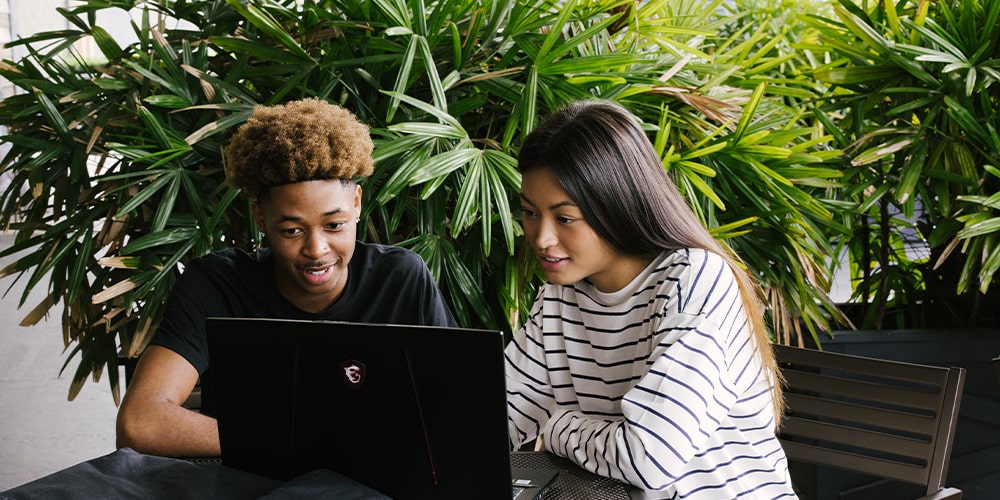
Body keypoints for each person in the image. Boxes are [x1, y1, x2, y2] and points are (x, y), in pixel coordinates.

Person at [116, 98, 457, 458]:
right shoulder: (216, 286)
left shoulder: (401, 279)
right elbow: (140, 422)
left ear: (356, 204)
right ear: (261, 219)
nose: (316, 249)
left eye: (334, 225)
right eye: (292, 230)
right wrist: (303, 441)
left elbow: (457, 407)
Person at [505, 100, 795, 499]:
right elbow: (494, 419)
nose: (542, 238)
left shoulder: (693, 280)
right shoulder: (560, 296)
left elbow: (650, 458)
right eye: (529, 213)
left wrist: (556, 427)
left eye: (565, 218)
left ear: (616, 205)